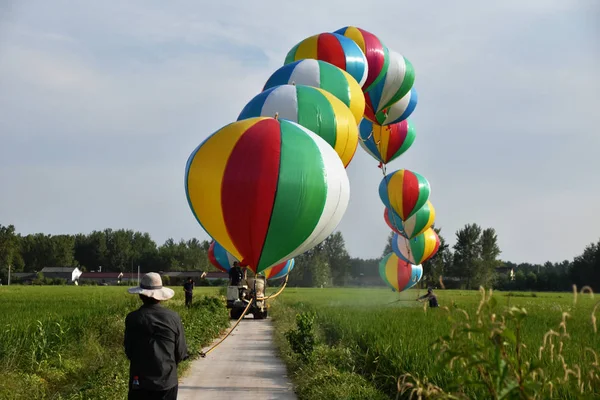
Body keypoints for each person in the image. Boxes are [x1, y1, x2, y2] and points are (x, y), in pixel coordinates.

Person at [124, 272, 188, 400]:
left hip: (140, 382)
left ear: (141, 295)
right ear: (160, 296)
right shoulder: (173, 317)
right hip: (167, 381)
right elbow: (180, 352)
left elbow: (129, 351)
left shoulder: (132, 318)